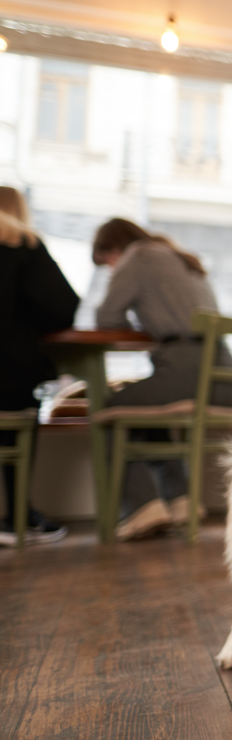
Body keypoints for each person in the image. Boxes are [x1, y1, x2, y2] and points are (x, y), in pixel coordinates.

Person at [92, 218, 232, 541]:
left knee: (109, 408)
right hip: (226, 377)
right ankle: (181, 501)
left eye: (109, 263)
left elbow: (106, 318)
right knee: (145, 413)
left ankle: (140, 507)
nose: (112, 270)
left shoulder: (139, 256)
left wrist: (140, 321)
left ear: (115, 248)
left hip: (186, 367)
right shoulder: (180, 257)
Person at [0, 186, 79, 546]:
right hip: (10, 380)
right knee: (22, 402)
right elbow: (63, 307)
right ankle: (18, 516)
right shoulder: (24, 245)